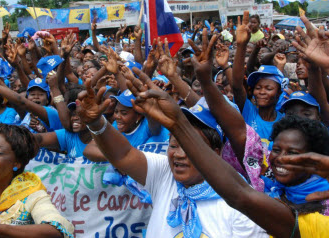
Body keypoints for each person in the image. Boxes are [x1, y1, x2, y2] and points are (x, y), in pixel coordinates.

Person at [75, 80, 267, 238]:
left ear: (216, 153)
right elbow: (123, 155)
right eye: (174, 145)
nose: (179, 155)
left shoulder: (242, 204)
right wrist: (96, 124)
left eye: (192, 148)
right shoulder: (165, 175)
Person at [232, 11, 284, 147]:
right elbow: (237, 86)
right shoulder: (248, 111)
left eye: (268, 88)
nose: (261, 92)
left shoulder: (285, 122)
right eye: (258, 87)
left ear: (279, 92)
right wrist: (241, 45)